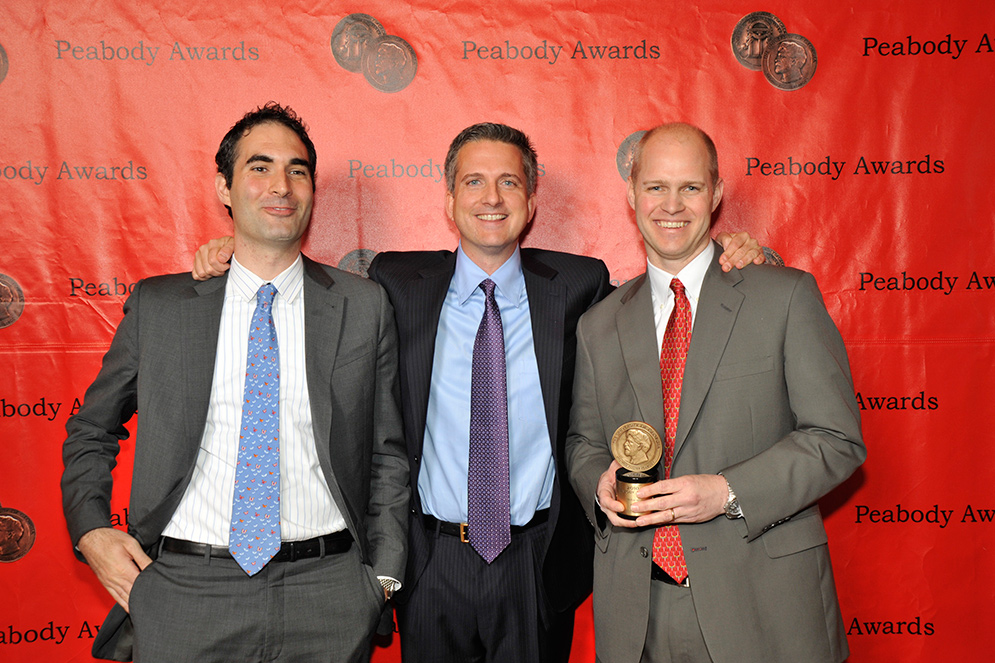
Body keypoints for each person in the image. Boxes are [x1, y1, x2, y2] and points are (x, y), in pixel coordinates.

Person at [192, 122, 765, 662]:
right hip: (430, 561)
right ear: (448, 200)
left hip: (536, 563)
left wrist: (728, 255)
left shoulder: (578, 285)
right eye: (473, 181)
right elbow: (310, 291)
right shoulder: (396, 282)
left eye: (509, 181)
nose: (492, 197)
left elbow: (665, 300)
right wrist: (234, 256)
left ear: (532, 201)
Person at [61, 102, 408, 662]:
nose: (282, 186)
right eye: (260, 167)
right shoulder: (162, 307)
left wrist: (382, 581)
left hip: (329, 595)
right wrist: (91, 531)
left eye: (298, 170)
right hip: (185, 592)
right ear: (224, 187)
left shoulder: (363, 306)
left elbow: (388, 455)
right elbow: (91, 430)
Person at [565, 122, 865, 663]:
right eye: (656, 187)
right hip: (638, 613)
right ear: (631, 194)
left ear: (717, 194)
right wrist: (599, 484)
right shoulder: (599, 324)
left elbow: (836, 439)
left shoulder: (785, 297)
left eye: (691, 187)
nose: (671, 205)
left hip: (762, 607)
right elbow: (583, 443)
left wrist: (727, 492)